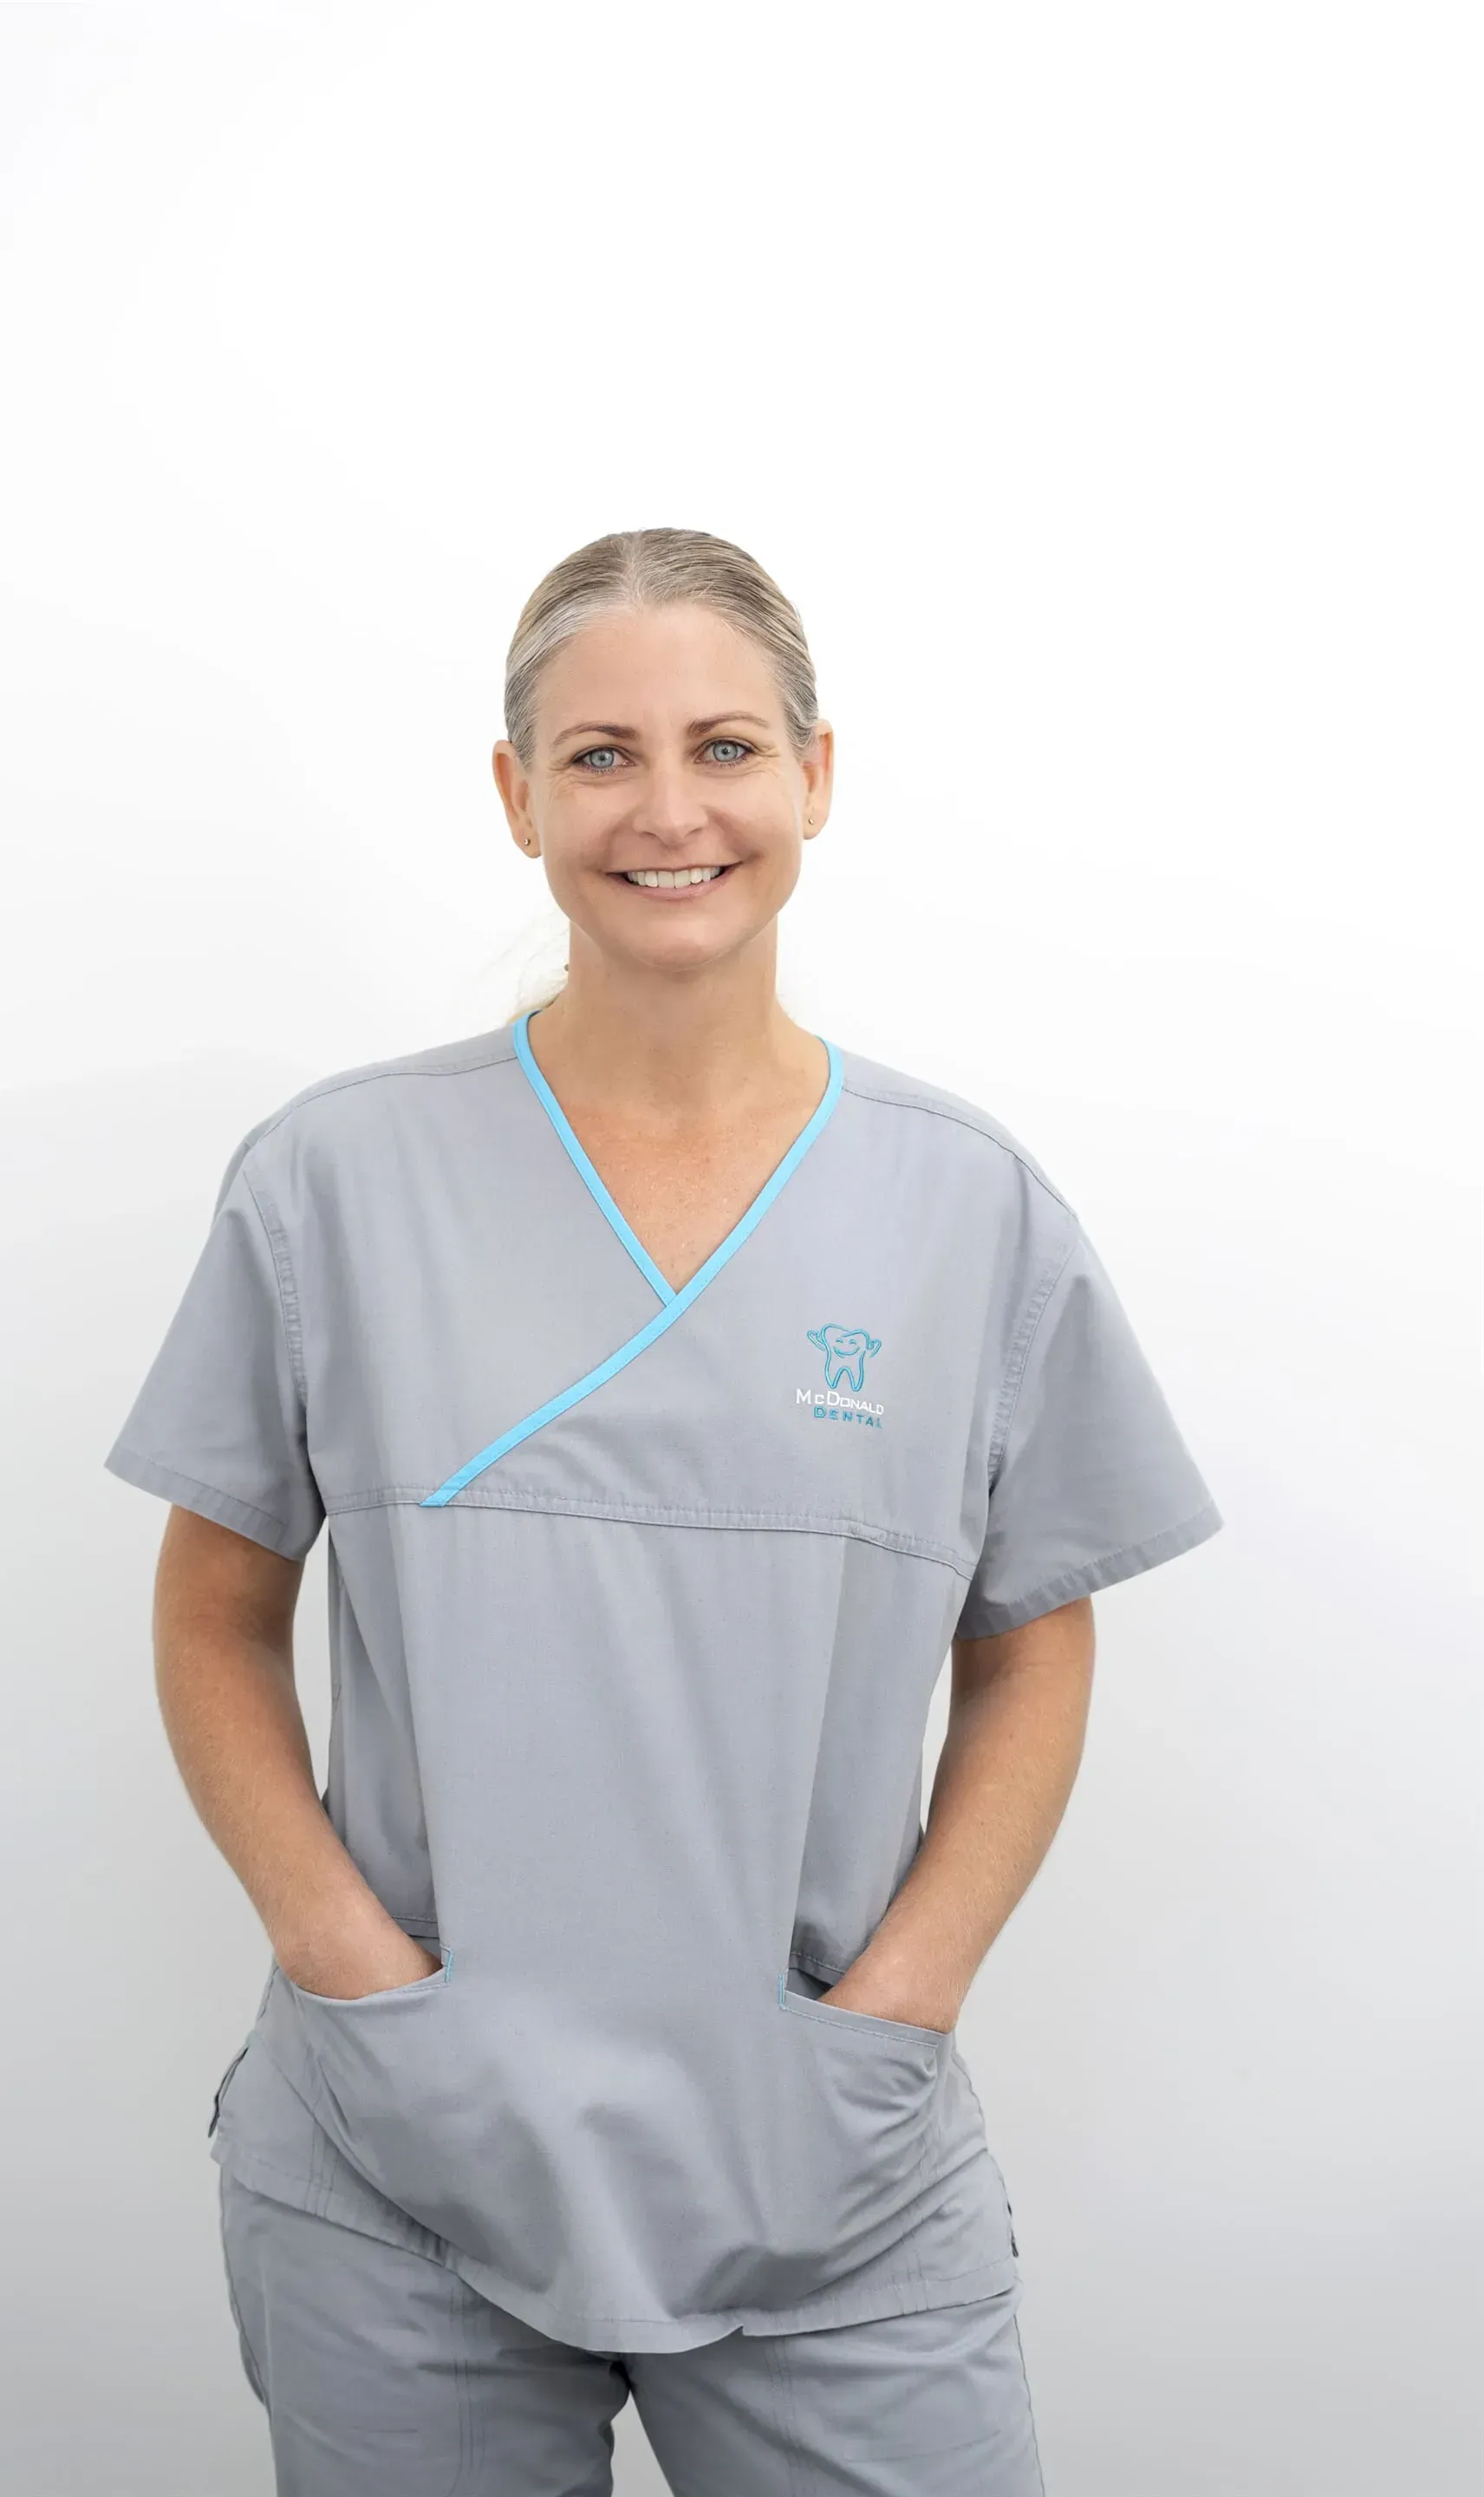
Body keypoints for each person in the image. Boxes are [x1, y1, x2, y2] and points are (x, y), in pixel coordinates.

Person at [103, 526, 1223, 2494]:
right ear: (519, 795)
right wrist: (351, 1971)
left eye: (725, 745)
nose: (671, 809)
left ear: (815, 775)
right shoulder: (337, 1180)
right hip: (401, 2160)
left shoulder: (967, 1207)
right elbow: (214, 1613)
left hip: (829, 2153)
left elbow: (1035, 1637)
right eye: (602, 755)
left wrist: (903, 2008)